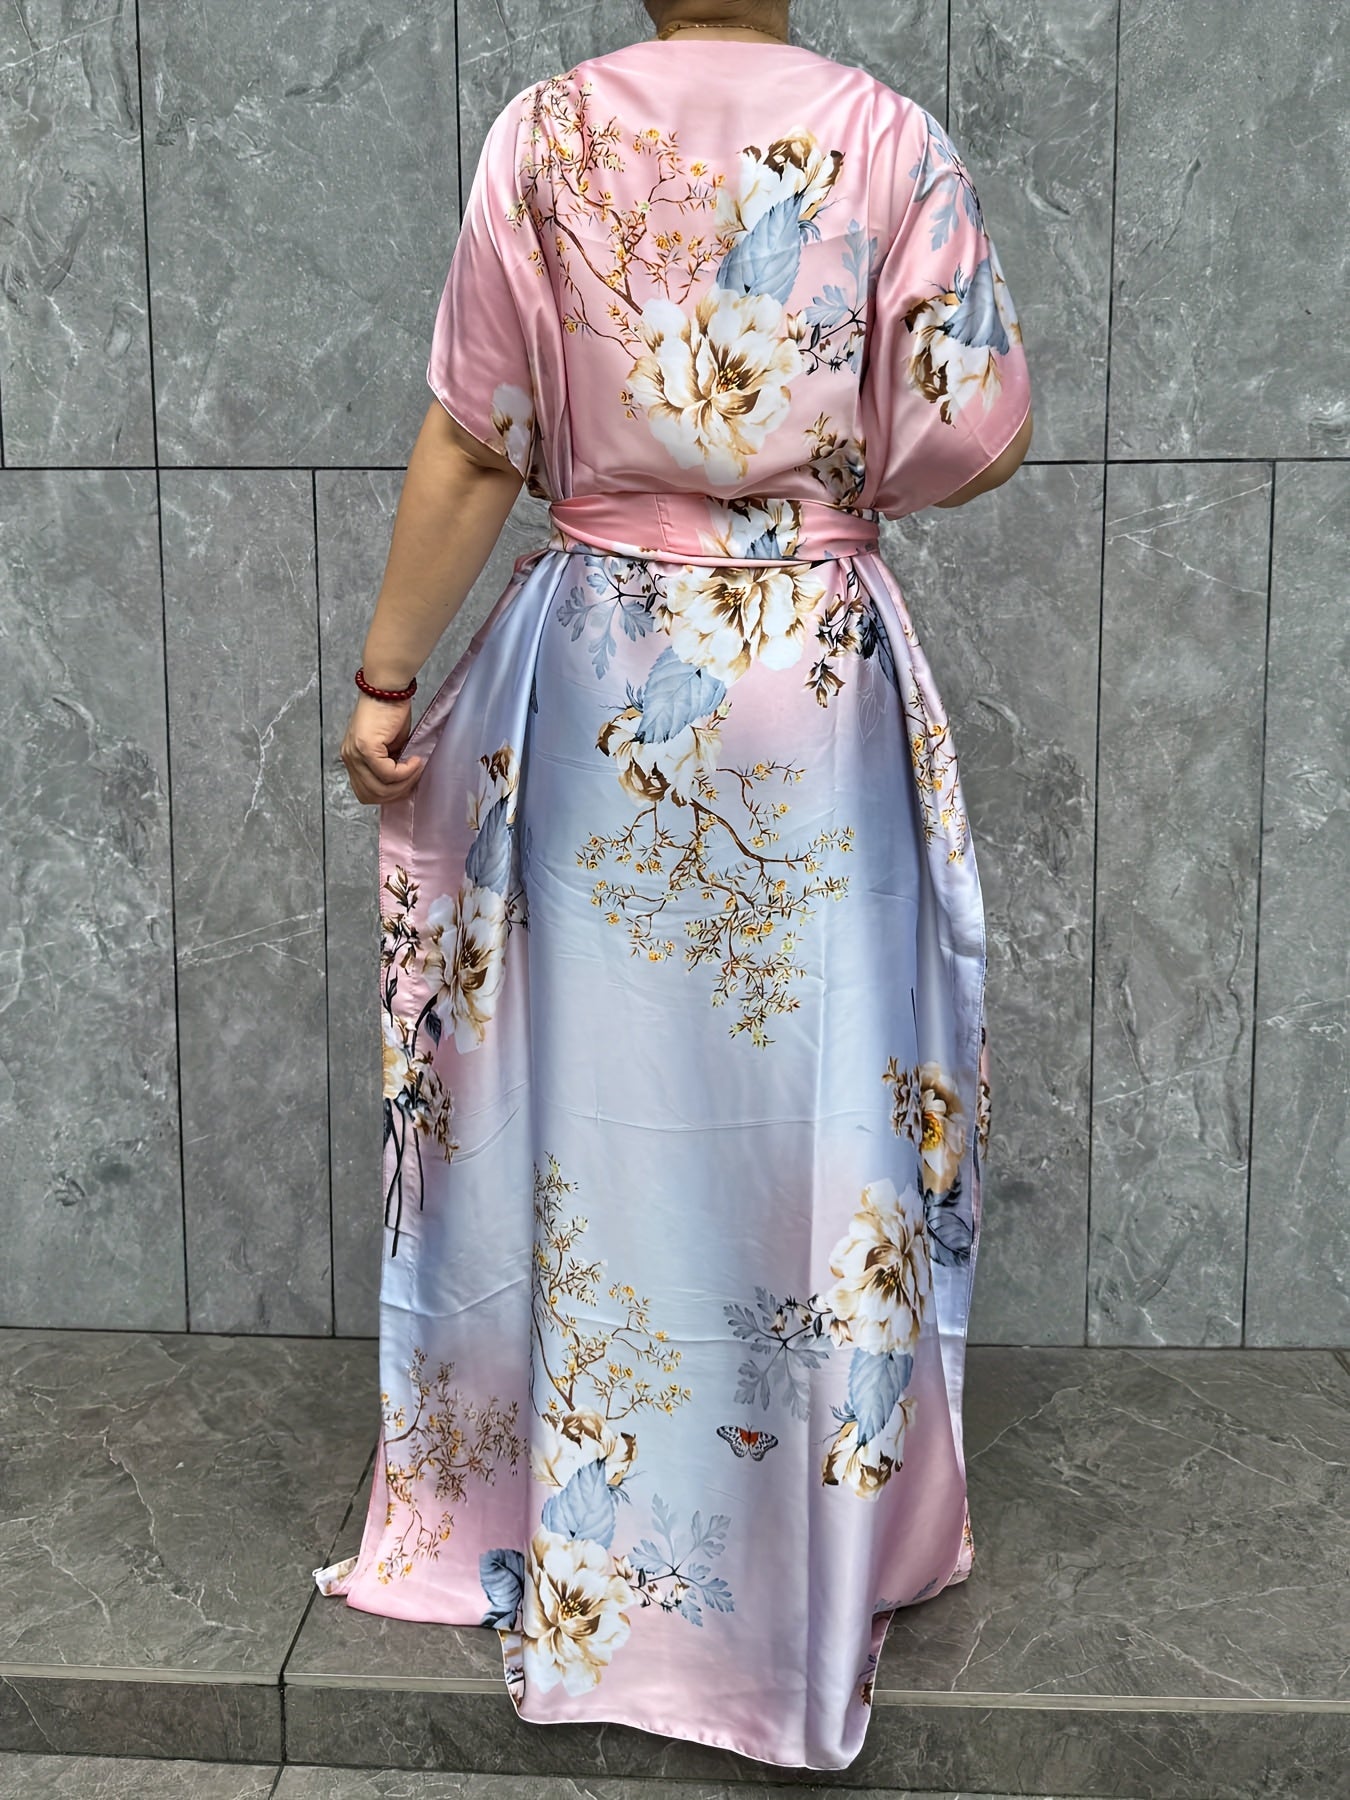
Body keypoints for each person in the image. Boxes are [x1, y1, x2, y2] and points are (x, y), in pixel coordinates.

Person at [317, 0, 1032, 1772]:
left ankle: (608, 1547)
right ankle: (815, 1548)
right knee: (813, 1105)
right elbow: (975, 432)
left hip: (608, 677)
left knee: (605, 1114)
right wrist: (818, 469)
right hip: (806, 682)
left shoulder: (546, 135)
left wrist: (390, 677)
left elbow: (475, 441)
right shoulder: (887, 137)